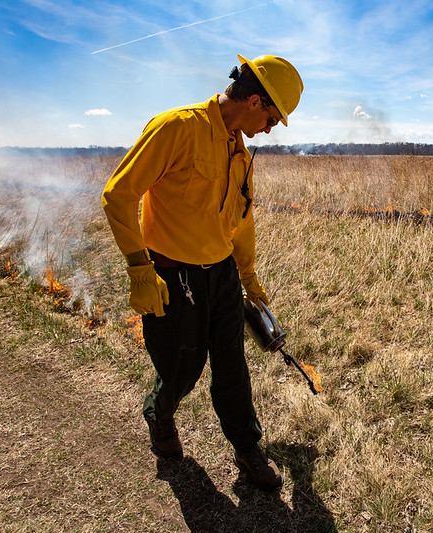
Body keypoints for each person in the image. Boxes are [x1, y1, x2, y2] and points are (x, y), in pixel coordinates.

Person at [101, 54, 303, 492]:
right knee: (182, 367)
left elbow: (241, 221)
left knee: (233, 366)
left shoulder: (240, 153)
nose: (269, 129)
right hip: (174, 279)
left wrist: (248, 279)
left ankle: (248, 449)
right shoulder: (177, 128)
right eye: (272, 117)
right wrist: (140, 268)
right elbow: (118, 195)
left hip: (222, 277)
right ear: (253, 100)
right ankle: (160, 411)